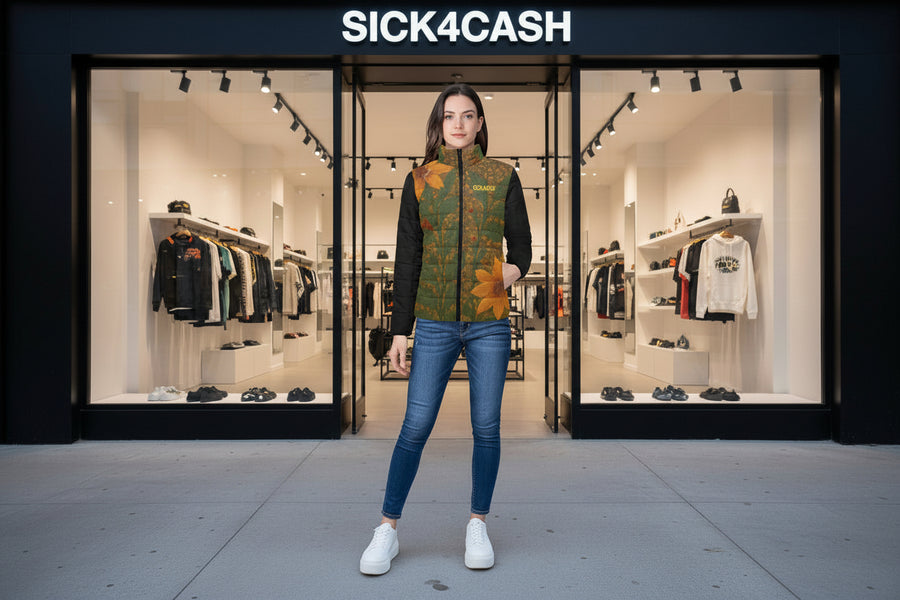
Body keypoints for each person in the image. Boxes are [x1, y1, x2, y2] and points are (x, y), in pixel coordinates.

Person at [359, 83, 532, 575]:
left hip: (488, 322)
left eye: (468, 115)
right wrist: (400, 331)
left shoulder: (502, 176)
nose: (458, 123)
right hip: (434, 322)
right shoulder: (419, 180)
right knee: (415, 425)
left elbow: (522, 246)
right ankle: (387, 529)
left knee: (487, 426)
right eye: (449, 115)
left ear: (480, 123)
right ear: (439, 123)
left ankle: (477, 522)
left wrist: (509, 273)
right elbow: (407, 259)